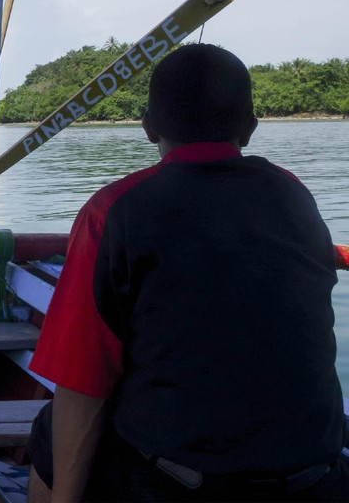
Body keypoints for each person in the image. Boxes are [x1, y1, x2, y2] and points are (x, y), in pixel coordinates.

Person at [25, 43, 348, 502]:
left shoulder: (114, 210)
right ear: (251, 129)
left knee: (51, 425)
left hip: (180, 486)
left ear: (147, 126)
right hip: (316, 477)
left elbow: (81, 380)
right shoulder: (294, 194)